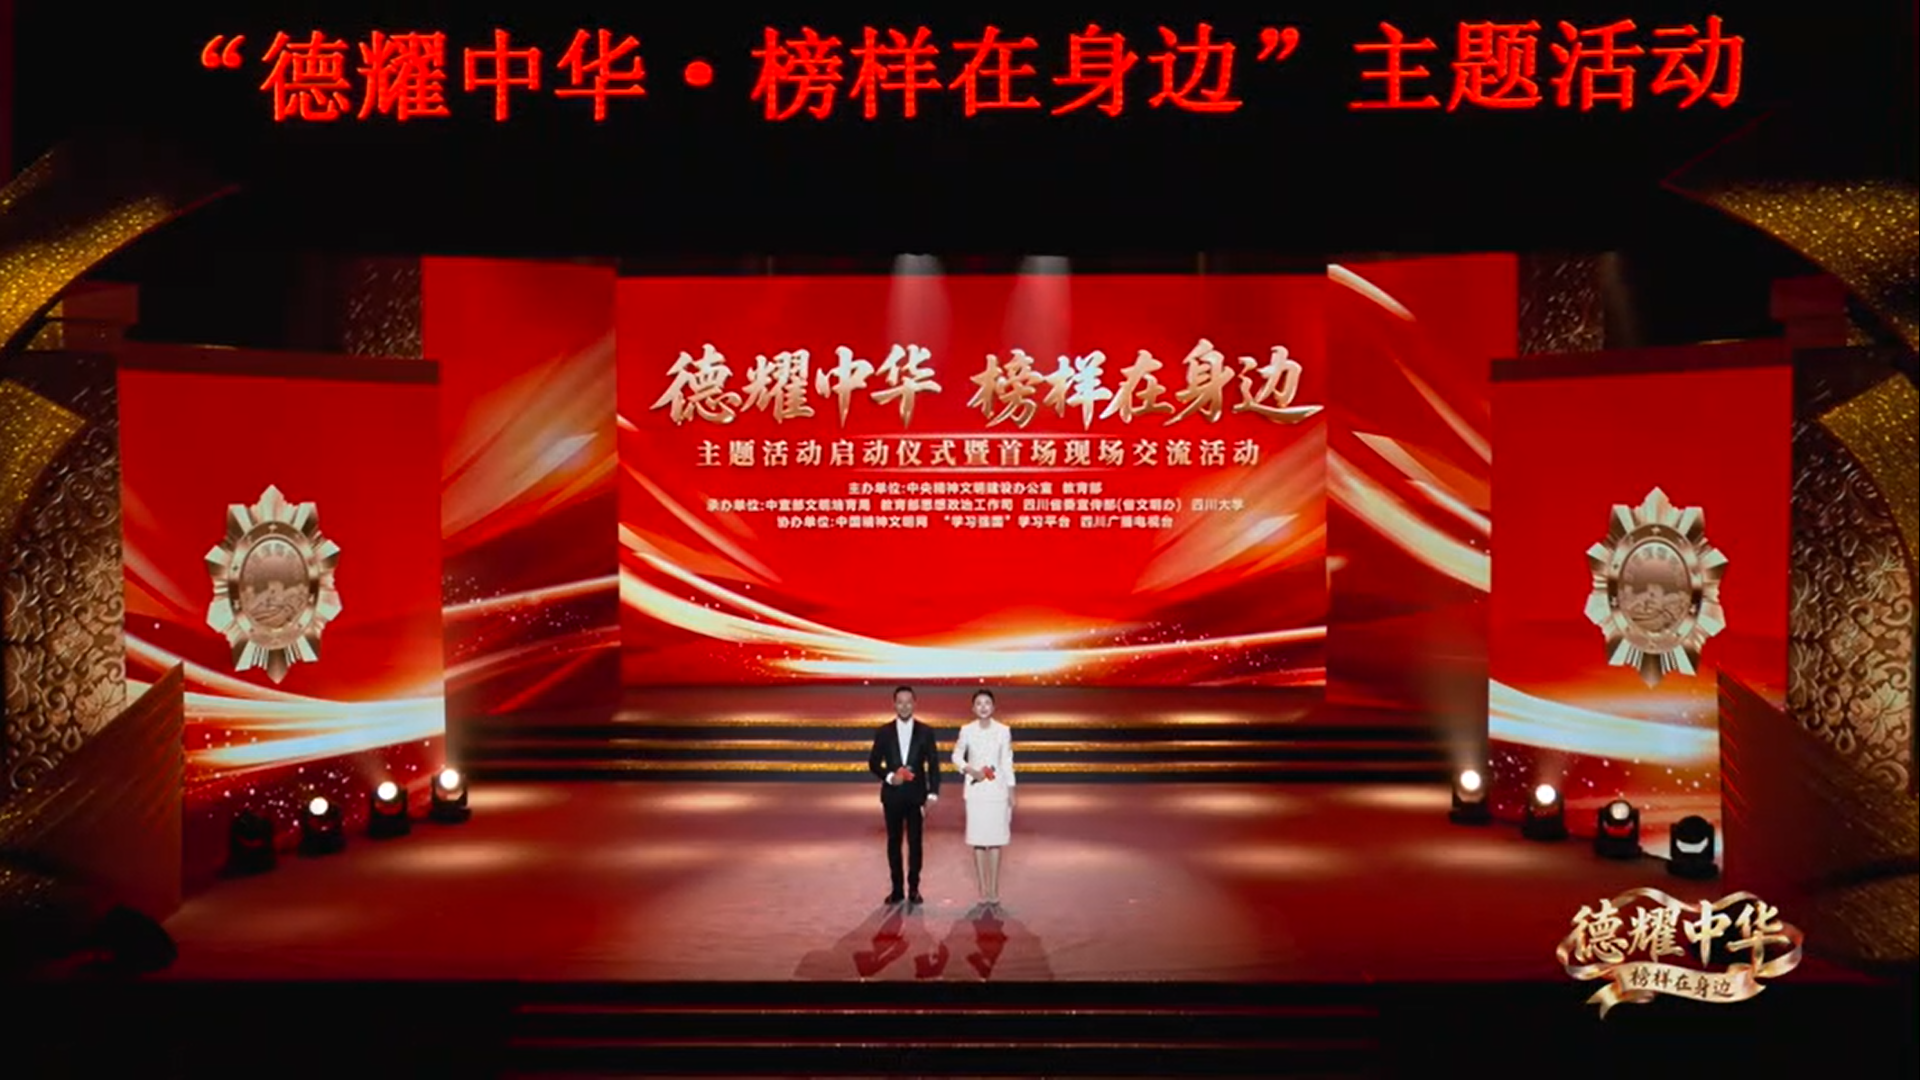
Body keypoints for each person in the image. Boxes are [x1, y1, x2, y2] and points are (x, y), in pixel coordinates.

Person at [867, 684, 941, 906]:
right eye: (900, 702)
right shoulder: (883, 732)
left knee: (915, 843)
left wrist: (933, 794)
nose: (905, 706)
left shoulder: (926, 732)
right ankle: (897, 890)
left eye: (908, 702)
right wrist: (890, 777)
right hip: (892, 796)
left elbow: (934, 765)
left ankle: (914, 889)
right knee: (894, 843)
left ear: (915, 704)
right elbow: (873, 763)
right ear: (894, 704)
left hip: (917, 797)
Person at [951, 688, 1015, 906]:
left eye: (987, 703)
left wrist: (1011, 790)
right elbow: (956, 756)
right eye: (979, 703)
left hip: (997, 792)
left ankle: (994, 890)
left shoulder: (1003, 731)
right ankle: (983, 890)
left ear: (993, 706)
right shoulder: (967, 730)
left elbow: (1006, 761)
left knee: (995, 842)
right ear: (973, 708)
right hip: (976, 792)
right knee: (978, 842)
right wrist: (970, 770)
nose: (983, 707)